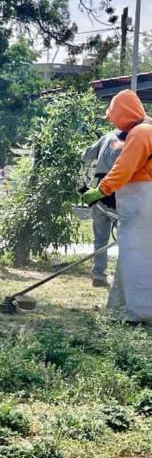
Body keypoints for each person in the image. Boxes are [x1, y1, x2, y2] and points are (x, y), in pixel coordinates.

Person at [82, 89, 152, 322]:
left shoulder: (140, 133)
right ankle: (119, 309)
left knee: (135, 258)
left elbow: (123, 168)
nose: (111, 120)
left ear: (125, 112)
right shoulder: (144, 130)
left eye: (113, 115)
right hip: (140, 200)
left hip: (141, 201)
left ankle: (135, 314)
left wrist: (99, 191)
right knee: (132, 257)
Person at [81, 129, 123, 287]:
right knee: (125, 236)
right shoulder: (136, 136)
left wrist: (99, 146)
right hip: (118, 187)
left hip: (98, 191)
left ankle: (98, 275)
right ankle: (122, 278)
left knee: (100, 237)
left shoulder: (107, 136)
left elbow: (85, 156)